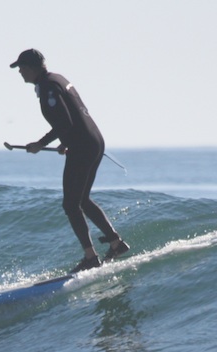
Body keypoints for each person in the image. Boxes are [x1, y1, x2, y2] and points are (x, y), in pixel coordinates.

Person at [10, 49, 129, 272]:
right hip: (94, 140)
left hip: (83, 146)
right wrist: (66, 142)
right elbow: (75, 115)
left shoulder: (48, 87)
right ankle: (115, 243)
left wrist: (40, 143)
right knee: (82, 199)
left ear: (31, 67)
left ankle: (90, 257)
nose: (20, 73)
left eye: (21, 68)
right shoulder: (58, 79)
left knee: (70, 204)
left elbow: (65, 122)